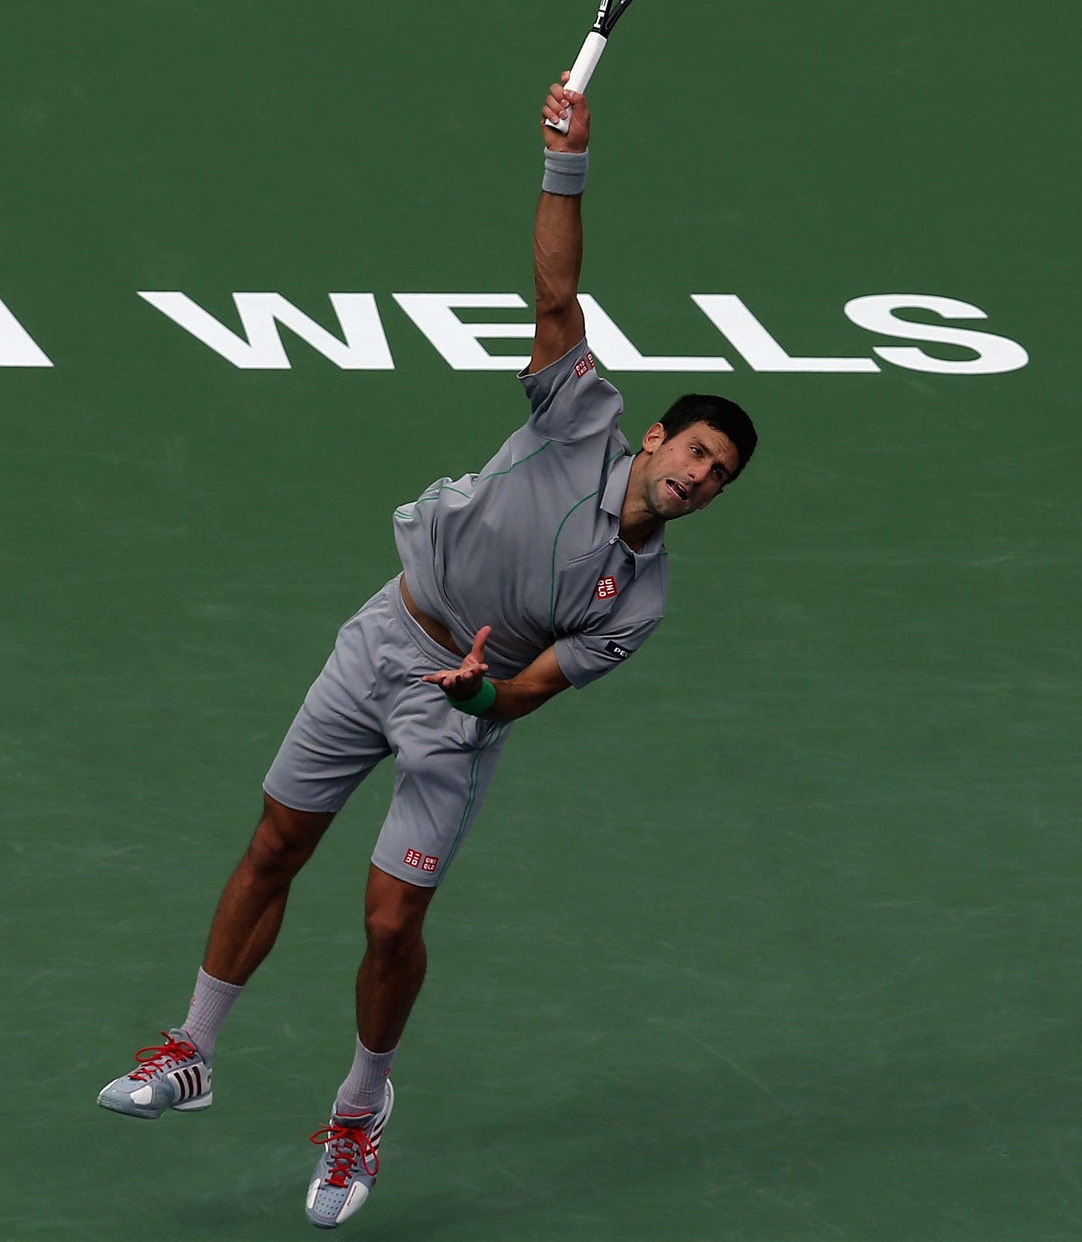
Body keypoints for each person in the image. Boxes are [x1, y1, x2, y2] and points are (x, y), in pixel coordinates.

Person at [94, 76, 760, 1229]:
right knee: (272, 845)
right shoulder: (577, 416)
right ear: (653, 436)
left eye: (716, 478)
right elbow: (556, 292)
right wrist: (566, 160)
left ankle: (359, 1110)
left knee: (389, 923)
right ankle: (190, 1049)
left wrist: (483, 694)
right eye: (693, 451)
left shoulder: (637, 598)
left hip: (458, 708)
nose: (697, 479)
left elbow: (535, 690)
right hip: (380, 640)